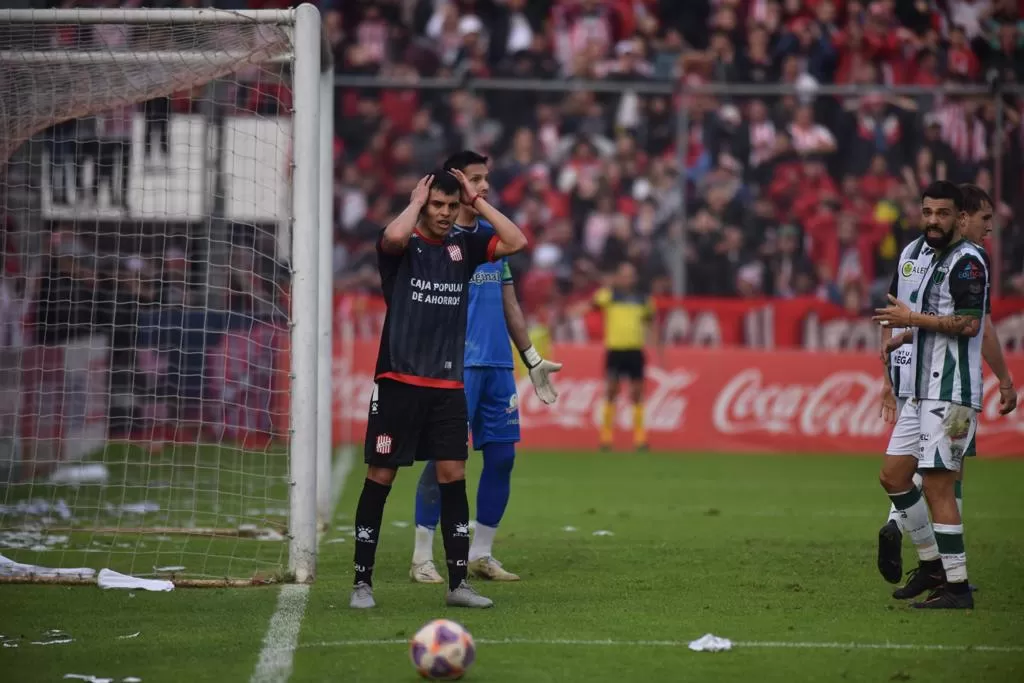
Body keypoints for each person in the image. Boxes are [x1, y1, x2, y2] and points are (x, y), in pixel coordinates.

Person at [350, 170, 528, 609]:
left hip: (448, 386)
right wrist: (415, 201)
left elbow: (517, 240)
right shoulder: (403, 246)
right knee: (381, 476)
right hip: (398, 382)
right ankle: (361, 583)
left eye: (452, 206)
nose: (446, 214)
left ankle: (458, 585)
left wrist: (476, 200)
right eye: (438, 205)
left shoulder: (464, 247)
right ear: (424, 204)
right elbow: (391, 236)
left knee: (454, 476)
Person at [410, 151, 562, 585]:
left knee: (502, 458)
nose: (485, 187)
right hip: (456, 366)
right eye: (476, 180)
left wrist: (530, 358)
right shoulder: (440, 240)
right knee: (444, 460)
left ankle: (482, 553)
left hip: (497, 367)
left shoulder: (493, 239)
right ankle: (422, 555)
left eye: (486, 180)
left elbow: (508, 302)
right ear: (457, 187)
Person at [876, 183, 1017, 586]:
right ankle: (933, 565)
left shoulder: (968, 261)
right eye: (928, 213)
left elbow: (971, 325)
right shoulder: (924, 255)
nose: (933, 220)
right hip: (920, 389)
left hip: (951, 393)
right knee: (897, 475)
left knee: (941, 481)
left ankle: (952, 582)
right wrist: (905, 339)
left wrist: (913, 324)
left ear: (957, 216)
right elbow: (903, 315)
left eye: (941, 213)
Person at [575, 261, 657, 451]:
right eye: (624, 275)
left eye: (631, 275)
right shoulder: (610, 295)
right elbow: (592, 304)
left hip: (635, 350)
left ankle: (640, 438)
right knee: (611, 391)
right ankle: (606, 438)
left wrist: (656, 344)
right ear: (619, 277)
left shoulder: (643, 299)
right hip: (616, 350)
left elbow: (651, 321)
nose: (628, 279)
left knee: (637, 393)